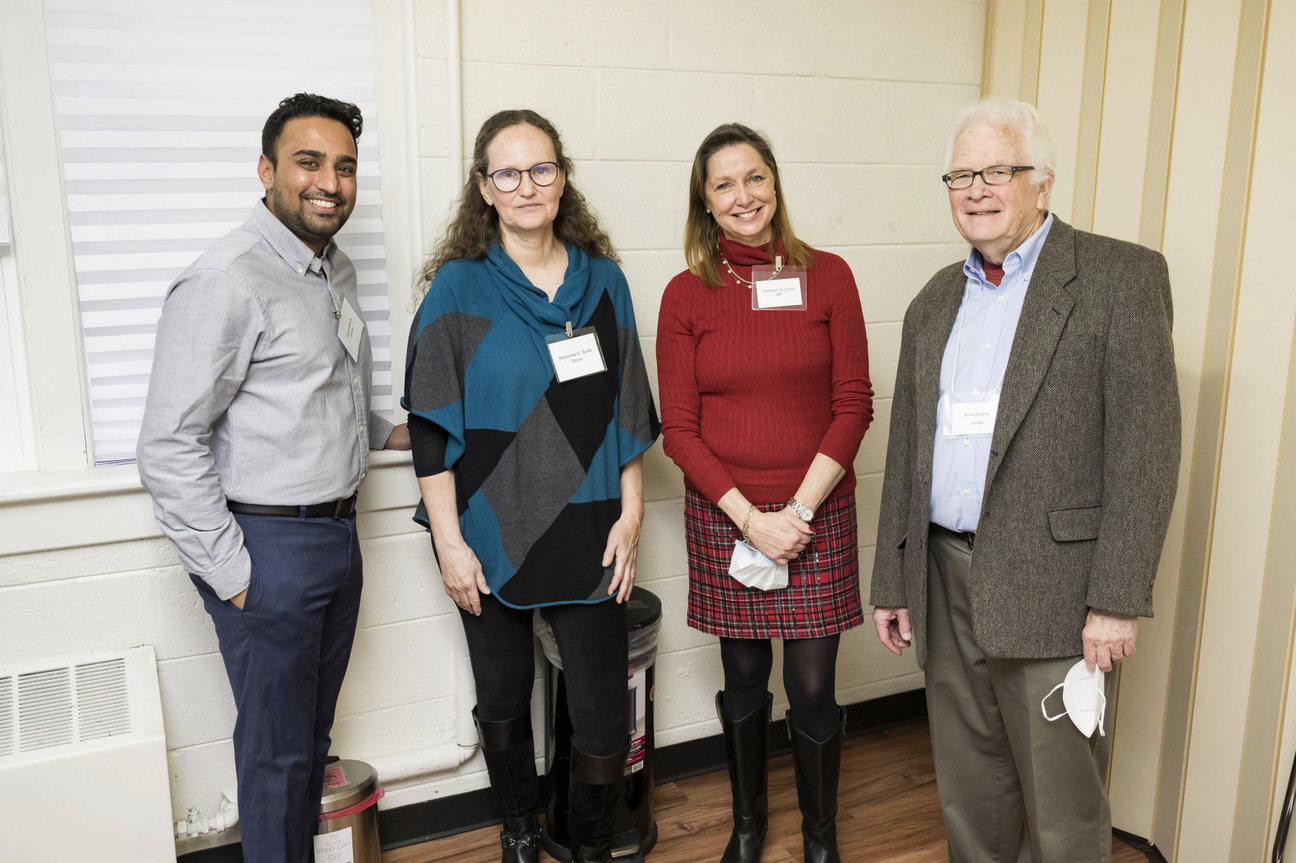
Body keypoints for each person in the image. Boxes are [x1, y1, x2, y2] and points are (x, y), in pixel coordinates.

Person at [870, 97, 1181, 863]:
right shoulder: (933, 300)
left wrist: (1115, 599)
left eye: (997, 171)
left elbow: (1146, 452)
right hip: (944, 575)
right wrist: (892, 577)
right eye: (961, 175)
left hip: (1059, 587)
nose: (976, 190)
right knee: (969, 791)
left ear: (1042, 181)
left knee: (1063, 803)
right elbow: (910, 448)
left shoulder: (1119, 279)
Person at [137, 93, 410, 863]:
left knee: (309, 745)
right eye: (309, 162)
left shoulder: (332, 270)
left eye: (345, 166)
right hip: (268, 550)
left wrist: (422, 431)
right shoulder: (227, 277)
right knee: (276, 755)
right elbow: (167, 443)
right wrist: (236, 575)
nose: (330, 181)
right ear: (267, 170)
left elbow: (334, 401)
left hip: (335, 536)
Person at [403, 108, 660, 863]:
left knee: (603, 716)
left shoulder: (603, 282)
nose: (526, 186)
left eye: (541, 169)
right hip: (487, 526)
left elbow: (628, 406)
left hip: (590, 524)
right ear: (484, 187)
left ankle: (585, 846)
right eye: (507, 173)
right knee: (505, 697)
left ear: (562, 177)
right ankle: (518, 828)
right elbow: (428, 425)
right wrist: (449, 541)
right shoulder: (458, 289)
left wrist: (633, 512)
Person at [656, 123, 873, 863]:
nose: (742, 196)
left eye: (754, 178)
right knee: (745, 675)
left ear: (775, 185)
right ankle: (748, 829)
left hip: (818, 514)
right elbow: (678, 431)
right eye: (724, 184)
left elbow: (854, 404)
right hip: (727, 516)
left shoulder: (831, 275)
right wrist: (752, 520)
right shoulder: (685, 295)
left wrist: (798, 513)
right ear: (705, 203)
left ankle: (820, 840)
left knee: (812, 686)